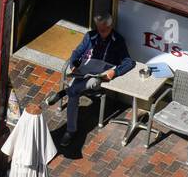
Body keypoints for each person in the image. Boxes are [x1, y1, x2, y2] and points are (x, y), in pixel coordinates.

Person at [44, 13, 135, 148]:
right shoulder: (90, 36)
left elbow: (129, 62)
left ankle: (63, 93)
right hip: (84, 72)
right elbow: (77, 52)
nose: (100, 32)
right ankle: (70, 130)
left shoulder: (118, 40)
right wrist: (74, 65)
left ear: (110, 27)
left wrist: (114, 72)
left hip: (100, 77)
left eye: (103, 30)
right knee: (74, 93)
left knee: (90, 83)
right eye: (98, 29)